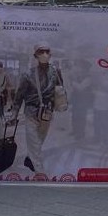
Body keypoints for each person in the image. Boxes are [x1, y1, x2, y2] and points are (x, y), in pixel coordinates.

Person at [12, 45, 66, 173]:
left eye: (47, 51)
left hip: (47, 112)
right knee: (34, 141)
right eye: (41, 52)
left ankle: (29, 159)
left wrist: (59, 103)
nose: (45, 54)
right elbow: (18, 96)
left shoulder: (55, 72)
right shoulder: (28, 75)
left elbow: (60, 89)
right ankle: (39, 171)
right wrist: (14, 114)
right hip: (31, 112)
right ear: (35, 55)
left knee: (40, 139)